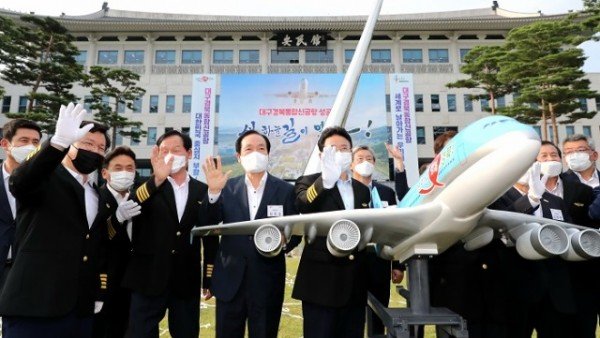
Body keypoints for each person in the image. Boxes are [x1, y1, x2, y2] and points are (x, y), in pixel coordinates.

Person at [0, 103, 112, 338]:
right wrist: (57, 143)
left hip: (79, 310)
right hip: (36, 304)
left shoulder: (95, 192)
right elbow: (20, 182)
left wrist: (96, 292)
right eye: (87, 143)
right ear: (71, 144)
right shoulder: (47, 176)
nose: (95, 151)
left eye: (101, 148)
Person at [203, 130, 301, 338]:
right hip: (230, 280)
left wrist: (283, 244)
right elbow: (208, 223)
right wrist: (212, 193)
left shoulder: (285, 190)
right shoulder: (225, 187)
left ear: (268, 154)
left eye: (261, 149)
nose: (255, 153)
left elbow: (297, 232)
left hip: (267, 280)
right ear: (239, 156)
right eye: (249, 149)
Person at [122, 130, 218, 338]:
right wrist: (156, 180)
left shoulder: (203, 190)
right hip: (148, 277)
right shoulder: (146, 187)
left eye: (176, 150)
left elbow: (210, 234)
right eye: (164, 151)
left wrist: (208, 278)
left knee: (186, 332)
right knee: (139, 332)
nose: (171, 155)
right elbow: (132, 207)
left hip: (185, 278)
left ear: (189, 153)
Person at [488, 144, 580, 338]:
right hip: (515, 292)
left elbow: (568, 232)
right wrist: (530, 199)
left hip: (555, 293)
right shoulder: (495, 198)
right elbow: (501, 225)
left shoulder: (555, 201)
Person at [293, 126, 371, 338]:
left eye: (344, 148)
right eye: (333, 148)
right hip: (320, 282)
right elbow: (302, 205)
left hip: (355, 281)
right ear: (321, 155)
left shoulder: (362, 189)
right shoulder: (308, 181)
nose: (340, 152)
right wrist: (324, 182)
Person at [350, 145, 405, 336]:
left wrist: (397, 264)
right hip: (353, 261)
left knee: (379, 313)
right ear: (351, 165)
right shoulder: (346, 192)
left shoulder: (386, 192)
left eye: (369, 159)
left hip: (380, 261)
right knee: (353, 314)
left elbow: (395, 228)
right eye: (360, 159)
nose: (365, 162)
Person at [93, 146, 141, 338]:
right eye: (118, 168)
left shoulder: (140, 200)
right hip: (105, 283)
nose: (125, 173)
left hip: (134, 283)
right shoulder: (96, 198)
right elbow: (97, 239)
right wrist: (117, 218)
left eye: (130, 168)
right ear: (105, 173)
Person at [560, 135, 600, 338]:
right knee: (583, 326)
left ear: (594, 154)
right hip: (579, 266)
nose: (575, 155)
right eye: (569, 152)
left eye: (581, 150)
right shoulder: (560, 184)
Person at [0, 119, 41, 287]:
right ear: (5, 144)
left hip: (27, 274)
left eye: (35, 142)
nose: (30, 146)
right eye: (24, 141)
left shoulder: (46, 184)